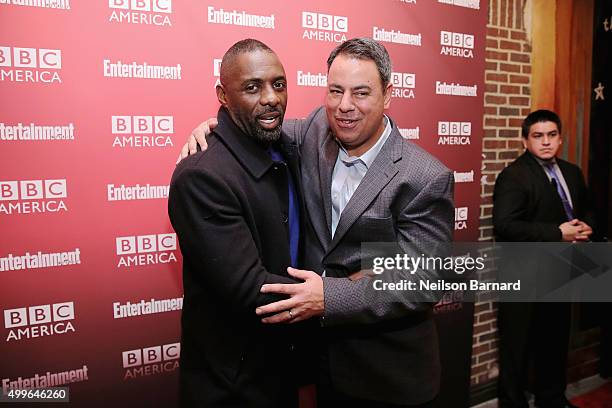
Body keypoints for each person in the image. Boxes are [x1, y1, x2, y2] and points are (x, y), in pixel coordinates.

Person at [180, 38, 454, 408]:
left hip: (389, 376)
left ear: (388, 95)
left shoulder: (424, 177)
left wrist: (329, 295)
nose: (344, 107)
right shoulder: (313, 133)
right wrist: (215, 126)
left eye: (361, 93)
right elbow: (255, 124)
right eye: (335, 91)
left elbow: (425, 279)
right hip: (324, 366)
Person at [168, 39, 311, 408]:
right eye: (252, 87)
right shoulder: (203, 176)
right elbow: (250, 290)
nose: (271, 98)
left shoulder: (286, 147)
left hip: (281, 369)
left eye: (278, 84)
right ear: (223, 95)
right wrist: (333, 295)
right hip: (233, 387)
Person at [493, 109, 593, 408]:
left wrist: (589, 226)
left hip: (560, 273)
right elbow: (506, 225)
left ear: (560, 139)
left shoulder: (572, 172)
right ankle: (512, 403)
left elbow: (586, 209)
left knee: (554, 343)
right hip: (522, 276)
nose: (546, 142)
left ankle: (552, 398)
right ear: (525, 140)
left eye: (551, 136)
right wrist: (556, 233)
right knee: (517, 348)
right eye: (538, 136)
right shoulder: (514, 175)